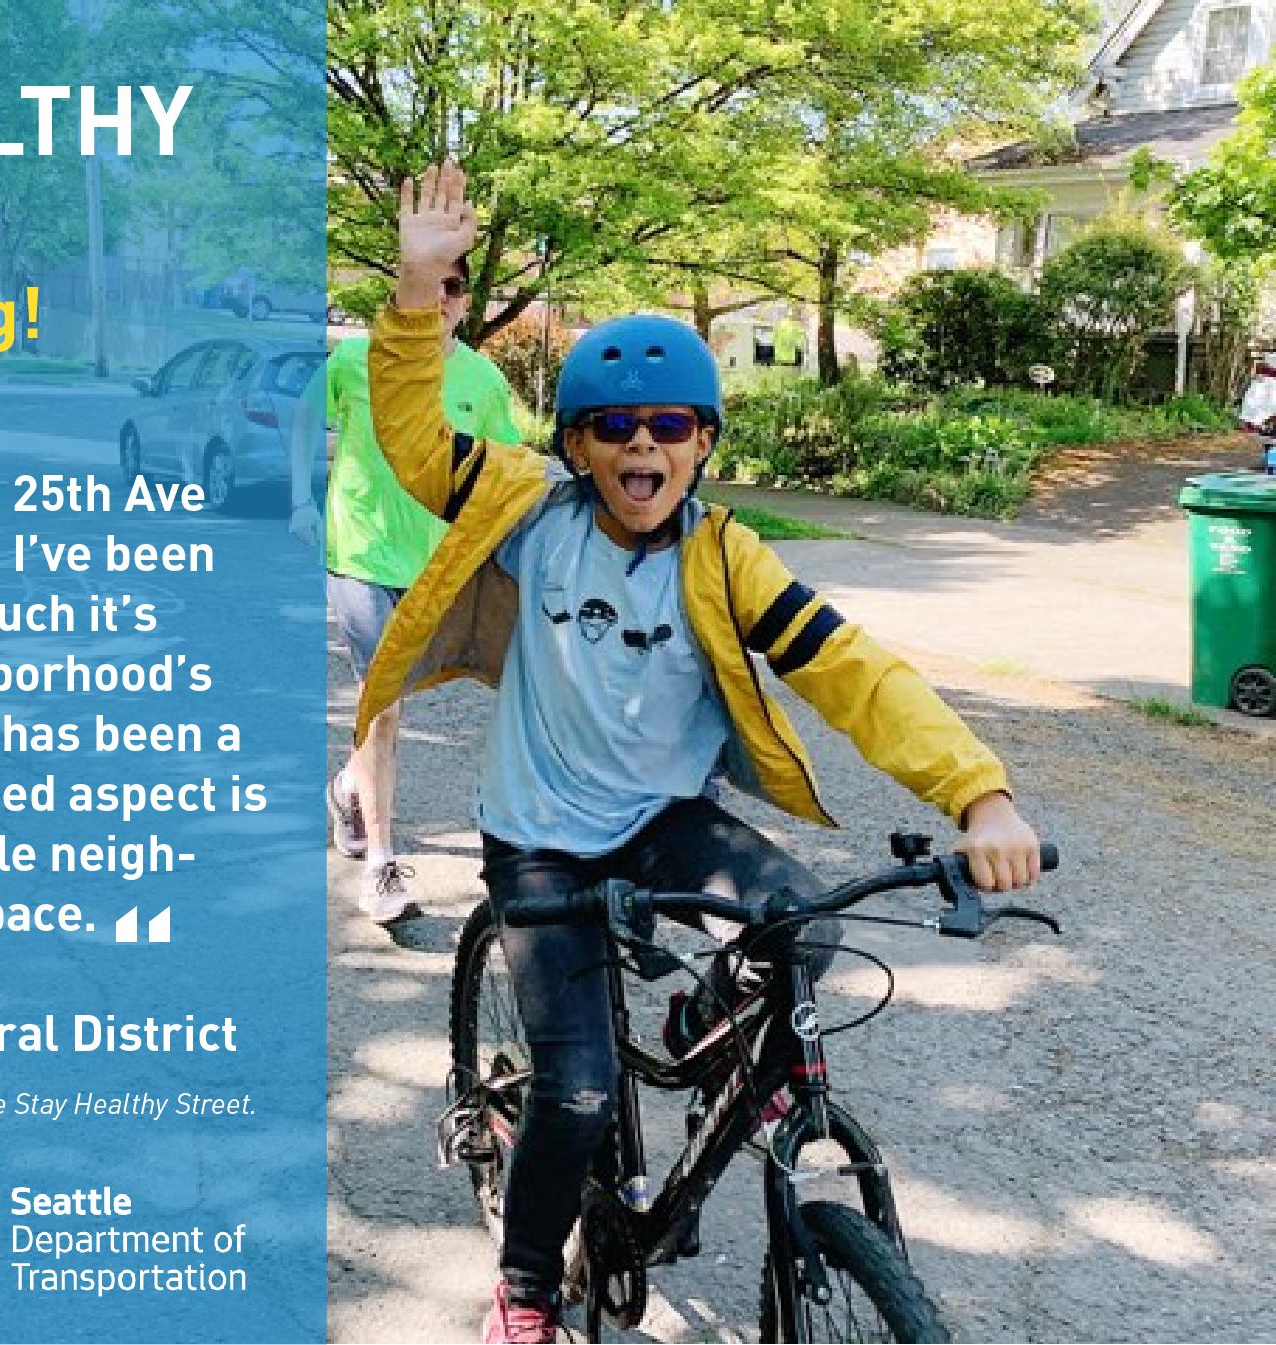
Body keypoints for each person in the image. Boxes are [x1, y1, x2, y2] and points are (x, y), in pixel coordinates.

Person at [360, 163, 1045, 1344]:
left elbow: (852, 670)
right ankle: (524, 1288)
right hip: (537, 836)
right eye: (612, 427)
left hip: (661, 819)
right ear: (575, 444)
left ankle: (693, 1032)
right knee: (574, 1092)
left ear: (702, 443)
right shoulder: (526, 513)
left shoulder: (728, 560)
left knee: (806, 928)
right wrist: (421, 291)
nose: (641, 444)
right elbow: (419, 440)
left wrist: (980, 794)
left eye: (667, 425)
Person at [290, 256, 522, 923]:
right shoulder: (357, 360)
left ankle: (344, 793)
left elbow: (502, 473)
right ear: (404, 291)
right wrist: (300, 499)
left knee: (397, 704)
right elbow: (305, 413)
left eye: (454, 287)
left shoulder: (482, 379)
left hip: (435, 570)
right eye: (428, 284)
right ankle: (381, 865)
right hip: (359, 555)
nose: (440, 298)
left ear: (465, 300)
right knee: (384, 707)